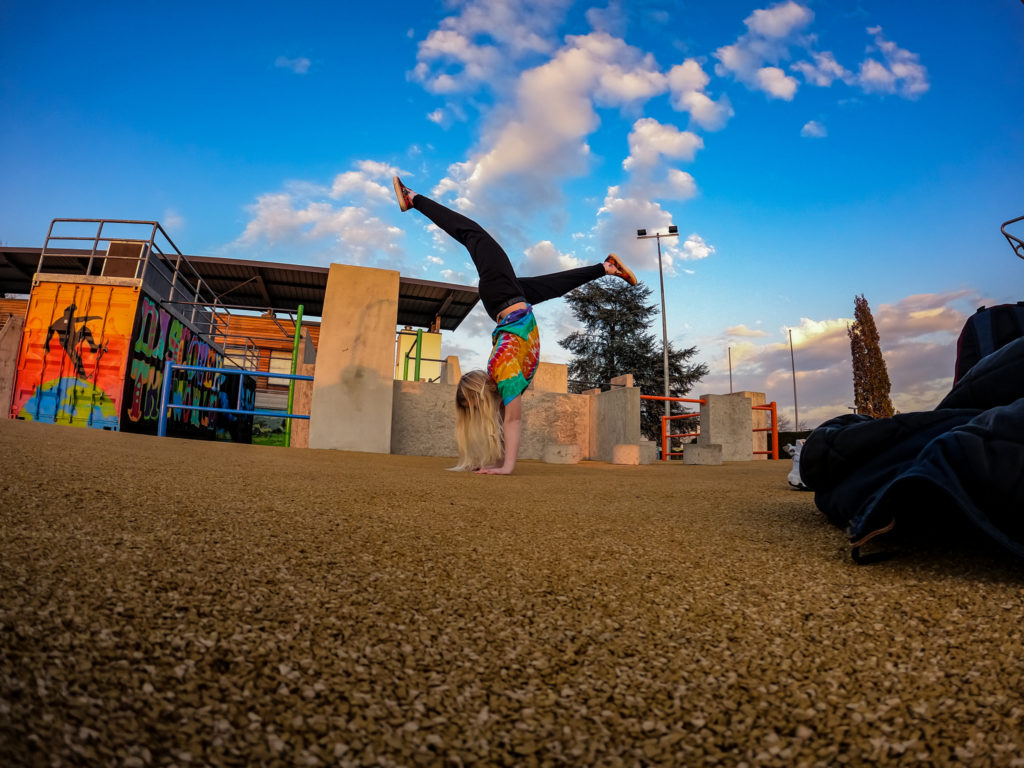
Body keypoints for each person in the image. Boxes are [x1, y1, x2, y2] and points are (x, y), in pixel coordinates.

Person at [393, 176, 638, 475]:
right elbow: (512, 421)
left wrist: (503, 465)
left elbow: (509, 420)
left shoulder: (503, 378)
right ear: (481, 386)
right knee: (480, 238)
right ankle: (413, 198)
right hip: (507, 299)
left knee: (477, 239)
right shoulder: (505, 377)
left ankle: (414, 200)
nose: (477, 372)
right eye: (475, 377)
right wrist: (502, 466)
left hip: (506, 303)